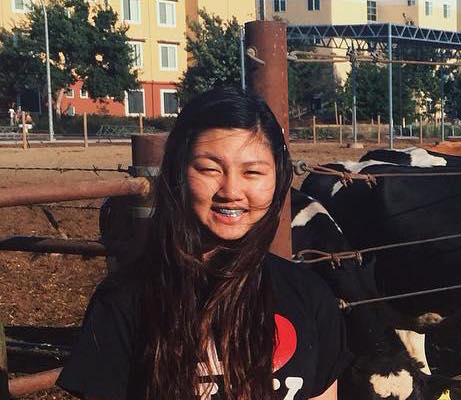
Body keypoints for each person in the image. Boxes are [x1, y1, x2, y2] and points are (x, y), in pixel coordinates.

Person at [57, 87, 351, 400]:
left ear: (277, 179)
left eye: (252, 172)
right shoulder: (124, 301)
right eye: (210, 169)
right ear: (178, 172)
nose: (231, 190)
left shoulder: (309, 296)